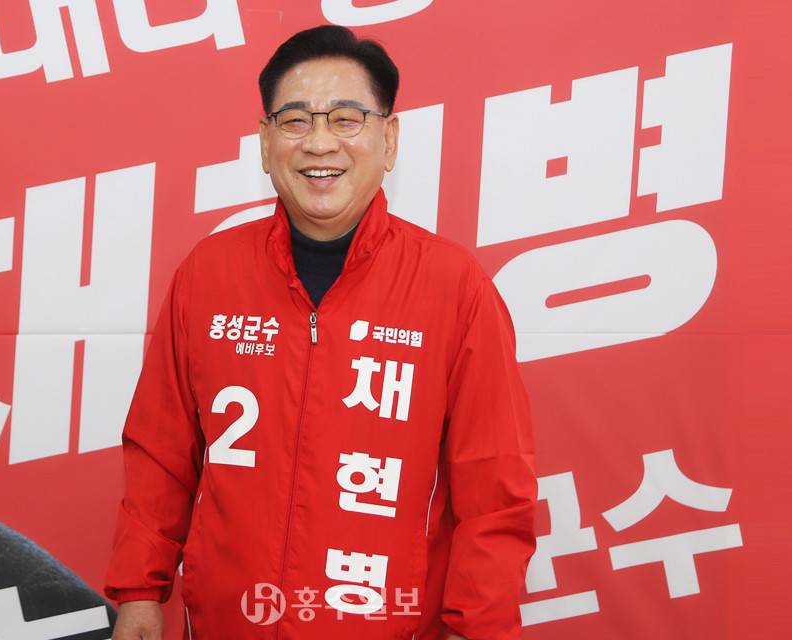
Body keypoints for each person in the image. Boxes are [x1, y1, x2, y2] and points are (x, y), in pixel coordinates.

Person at [105, 25, 536, 640]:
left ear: (389, 139)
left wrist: (476, 629)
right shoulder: (208, 274)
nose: (319, 142)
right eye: (295, 121)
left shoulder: (454, 287)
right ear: (265, 143)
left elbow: (495, 493)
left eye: (346, 118)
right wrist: (139, 592)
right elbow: (161, 453)